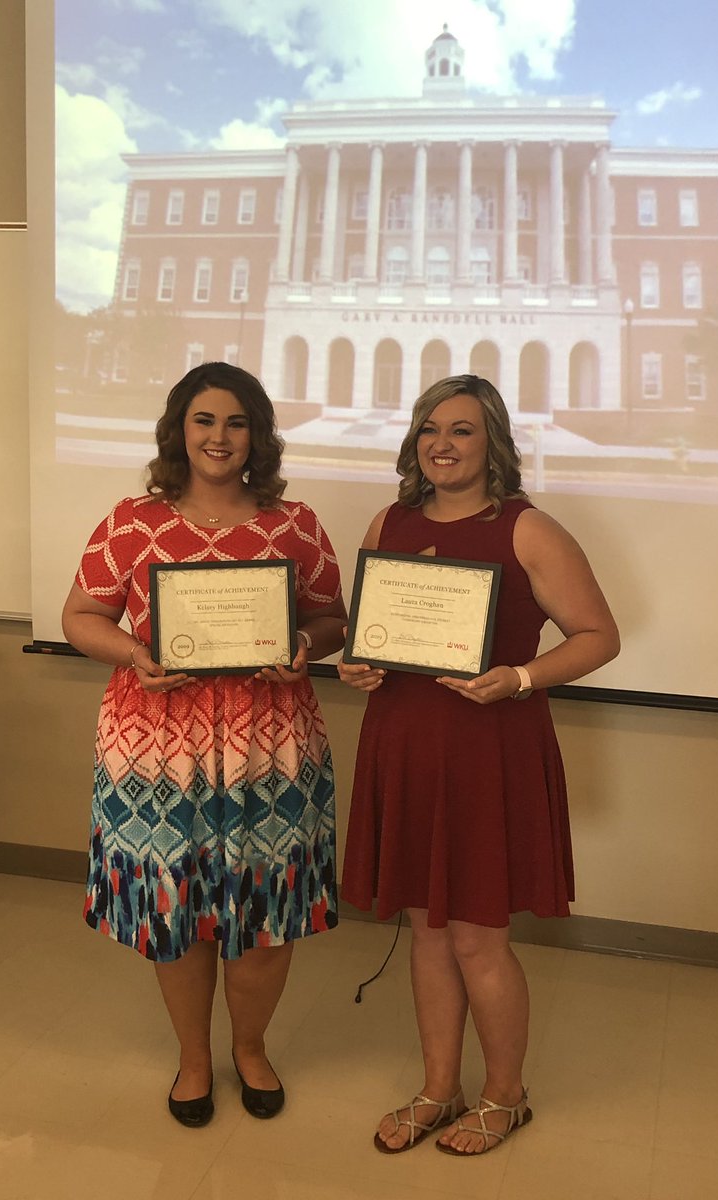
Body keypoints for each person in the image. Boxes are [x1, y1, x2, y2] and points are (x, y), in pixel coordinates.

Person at [338, 374, 619, 1157]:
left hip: (488, 749)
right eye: (430, 428)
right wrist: (357, 666)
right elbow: (372, 636)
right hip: (405, 741)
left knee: (476, 939)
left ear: (493, 441)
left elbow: (598, 635)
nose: (442, 444)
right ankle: (439, 1088)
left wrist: (520, 678)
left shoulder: (529, 529)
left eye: (461, 429)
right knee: (427, 933)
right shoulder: (388, 519)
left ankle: (505, 1095)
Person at [62, 362, 346, 1127]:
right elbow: (81, 616)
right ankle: (194, 1058)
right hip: (159, 749)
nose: (219, 438)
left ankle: (250, 1049)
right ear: (179, 431)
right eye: (204, 421)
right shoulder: (131, 520)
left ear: (257, 435)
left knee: (264, 914)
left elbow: (332, 620)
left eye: (236, 422)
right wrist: (134, 655)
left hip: (270, 747)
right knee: (177, 913)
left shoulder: (296, 524)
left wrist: (304, 647)